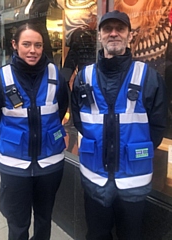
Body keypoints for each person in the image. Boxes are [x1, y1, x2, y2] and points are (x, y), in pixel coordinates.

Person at [71, 10, 167, 240]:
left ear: (129, 35)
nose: (113, 33)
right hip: (95, 177)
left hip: (132, 179)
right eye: (107, 29)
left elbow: (158, 127)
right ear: (101, 36)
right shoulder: (84, 77)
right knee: (96, 235)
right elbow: (79, 121)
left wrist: (132, 151)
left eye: (120, 29)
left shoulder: (149, 78)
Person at [0, 23, 69, 240]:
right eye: (27, 44)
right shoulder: (1, 79)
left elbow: (61, 108)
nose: (33, 50)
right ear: (15, 45)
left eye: (38, 45)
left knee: (44, 218)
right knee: (18, 223)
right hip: (15, 165)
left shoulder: (55, 75)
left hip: (50, 164)